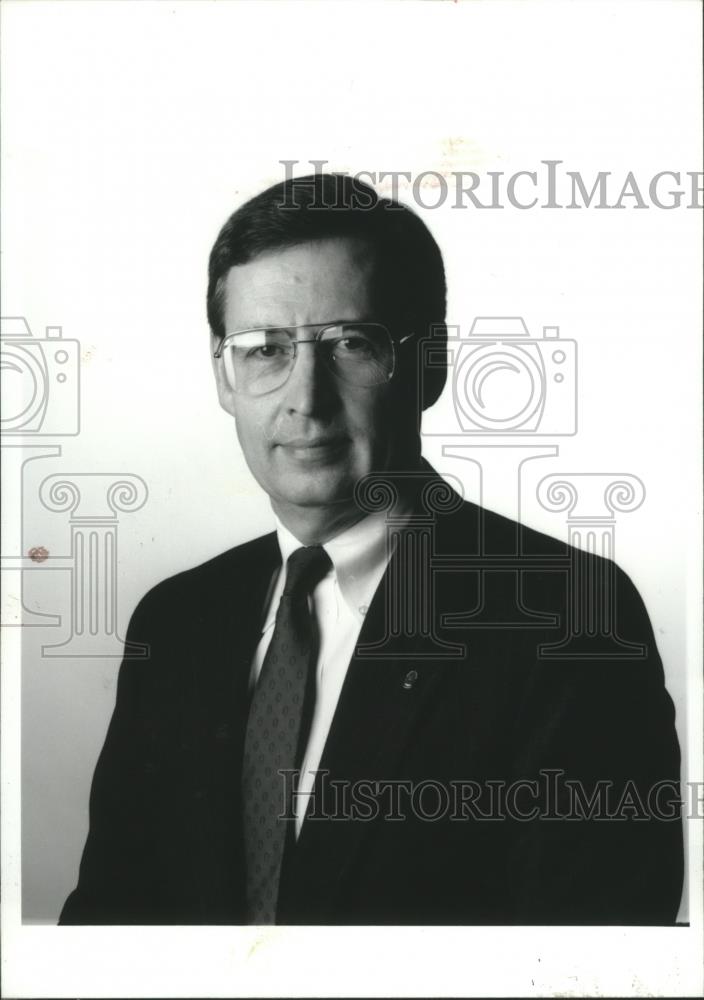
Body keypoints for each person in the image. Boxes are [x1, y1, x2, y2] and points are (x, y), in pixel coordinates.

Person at [59, 173, 683, 925]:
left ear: (431, 365)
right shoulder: (178, 619)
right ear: (223, 377)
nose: (304, 398)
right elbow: (105, 931)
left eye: (353, 344)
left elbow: (582, 962)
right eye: (265, 349)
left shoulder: (566, 617)